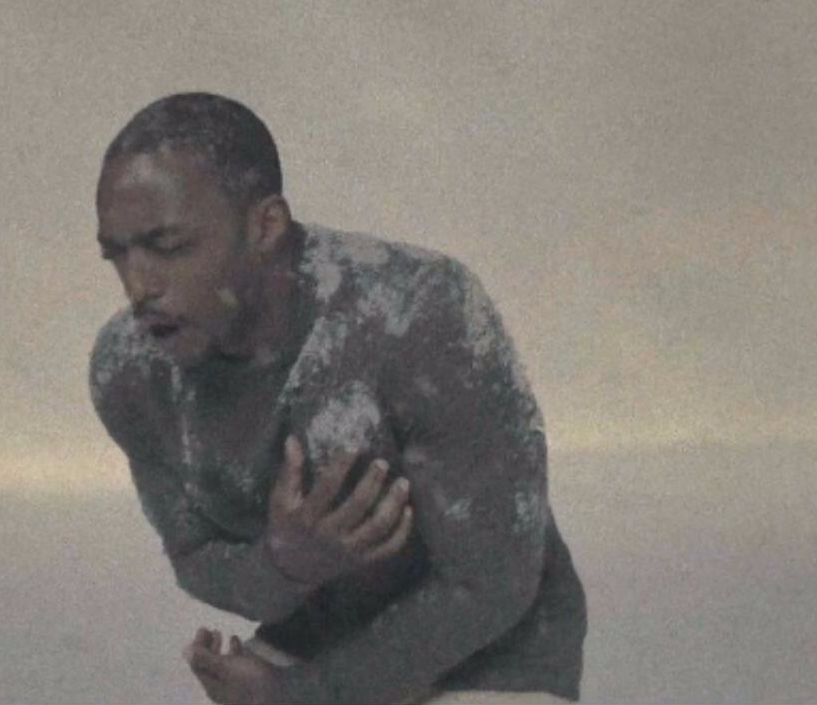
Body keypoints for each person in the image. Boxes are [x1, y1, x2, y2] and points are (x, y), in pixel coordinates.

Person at [88, 92, 587, 705]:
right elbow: (194, 559)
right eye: (118, 254)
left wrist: (308, 693)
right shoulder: (129, 370)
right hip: (313, 647)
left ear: (265, 226)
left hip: (493, 660)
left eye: (168, 247)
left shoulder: (420, 312)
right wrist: (284, 564)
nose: (138, 286)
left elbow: (493, 583)